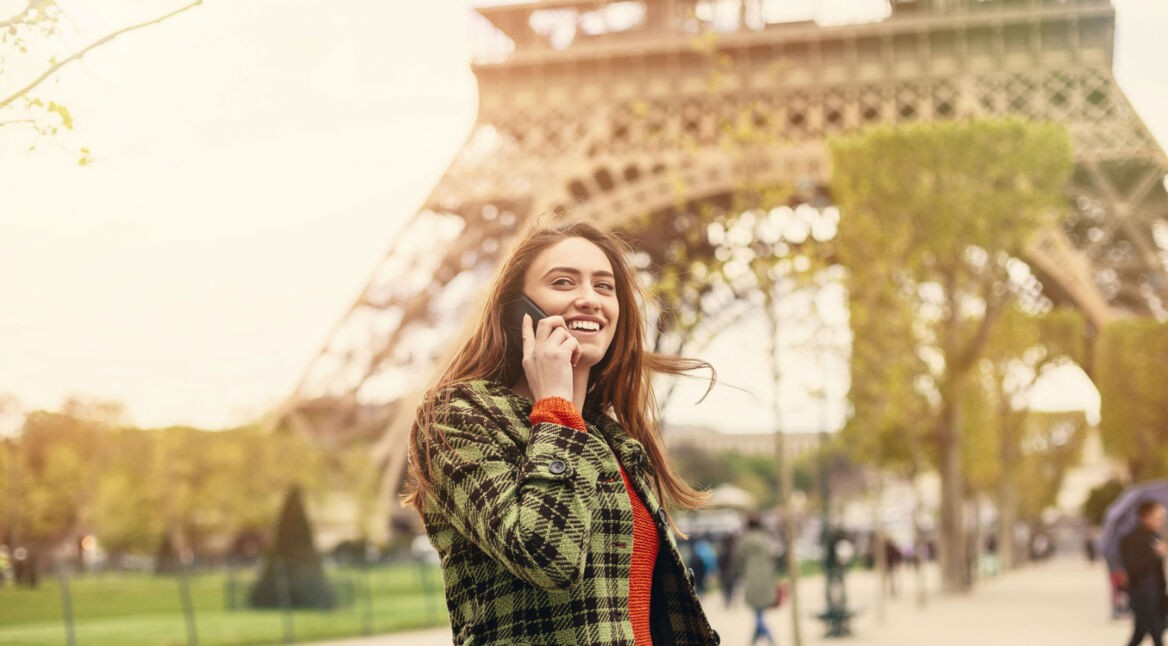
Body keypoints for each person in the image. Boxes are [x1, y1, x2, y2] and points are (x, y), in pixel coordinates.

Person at [404, 219, 720, 645]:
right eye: (563, 282)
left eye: (604, 287)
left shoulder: (614, 441)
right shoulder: (458, 415)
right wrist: (555, 406)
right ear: (518, 308)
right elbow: (547, 556)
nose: (589, 299)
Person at [1121, 500, 1166, 646]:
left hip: (1156, 593)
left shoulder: (1155, 537)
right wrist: (1155, 554)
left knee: (1139, 634)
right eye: (1157, 518)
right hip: (1142, 594)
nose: (1160, 521)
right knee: (1156, 632)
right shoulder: (1130, 539)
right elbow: (1133, 567)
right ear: (1145, 516)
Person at [734, 513, 778, 646]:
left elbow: (738, 563)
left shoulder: (744, 542)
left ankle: (770, 639)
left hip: (751, 580)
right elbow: (772, 559)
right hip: (766, 580)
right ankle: (758, 640)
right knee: (759, 613)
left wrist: (742, 575)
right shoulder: (765, 541)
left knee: (758, 613)